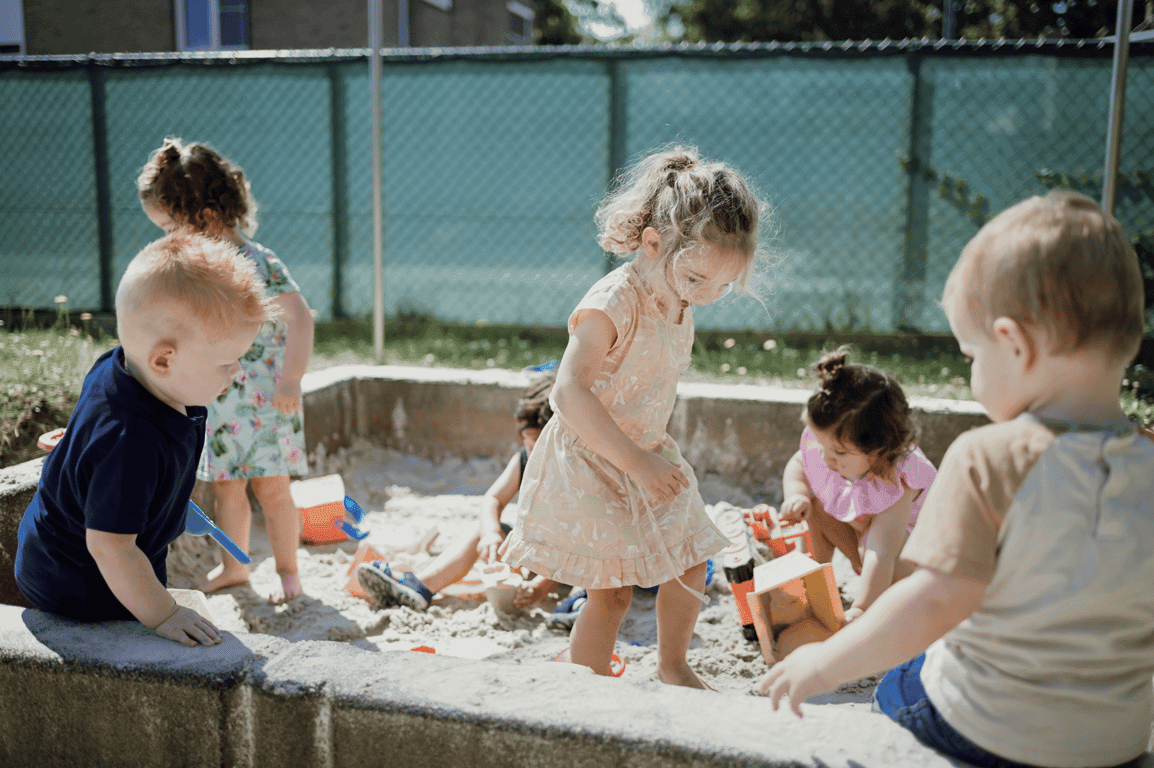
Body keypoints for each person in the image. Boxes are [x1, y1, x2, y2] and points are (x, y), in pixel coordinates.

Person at [760, 190, 1153, 768]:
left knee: (903, 683)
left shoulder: (989, 458)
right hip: (1116, 742)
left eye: (972, 354)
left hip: (989, 732)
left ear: (1014, 345)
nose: (971, 370)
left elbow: (934, 603)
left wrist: (825, 663)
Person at [500, 146, 768, 688]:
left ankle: (672, 665)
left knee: (694, 556)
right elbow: (568, 393)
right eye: (698, 280)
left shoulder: (680, 298)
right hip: (593, 455)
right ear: (652, 243)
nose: (707, 297)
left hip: (646, 451)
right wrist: (636, 462)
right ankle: (585, 688)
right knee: (611, 591)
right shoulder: (613, 301)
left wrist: (647, 459)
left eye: (723, 287)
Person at [14, 233, 274, 646]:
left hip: (91, 551)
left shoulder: (129, 370)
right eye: (226, 361)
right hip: (80, 581)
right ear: (164, 360)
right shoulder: (130, 443)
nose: (237, 371)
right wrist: (164, 614)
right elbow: (111, 548)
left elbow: (93, 418)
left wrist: (83, 443)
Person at [137, 138, 316, 605]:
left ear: (208, 216)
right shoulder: (199, 272)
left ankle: (287, 572)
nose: (166, 239)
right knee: (228, 492)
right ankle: (235, 567)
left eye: (171, 227)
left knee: (274, 493)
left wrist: (292, 379)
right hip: (220, 402)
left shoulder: (258, 262)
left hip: (269, 401)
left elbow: (300, 318)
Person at [356, 372, 564, 612]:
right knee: (481, 530)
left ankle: (576, 603)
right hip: (538, 553)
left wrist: (541, 586)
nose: (535, 451)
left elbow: (578, 543)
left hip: (575, 565)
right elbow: (493, 499)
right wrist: (491, 533)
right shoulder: (526, 460)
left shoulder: (575, 473)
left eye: (542, 444)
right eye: (529, 443)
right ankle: (422, 586)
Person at [777, 346, 936, 623]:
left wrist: (861, 609)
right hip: (865, 537)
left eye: (838, 453)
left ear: (878, 450)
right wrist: (798, 493)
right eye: (821, 445)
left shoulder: (896, 480)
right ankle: (813, 583)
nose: (826, 458)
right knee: (814, 509)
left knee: (876, 547)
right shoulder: (832, 444)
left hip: (916, 567)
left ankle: (882, 606)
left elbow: (881, 551)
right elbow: (799, 462)